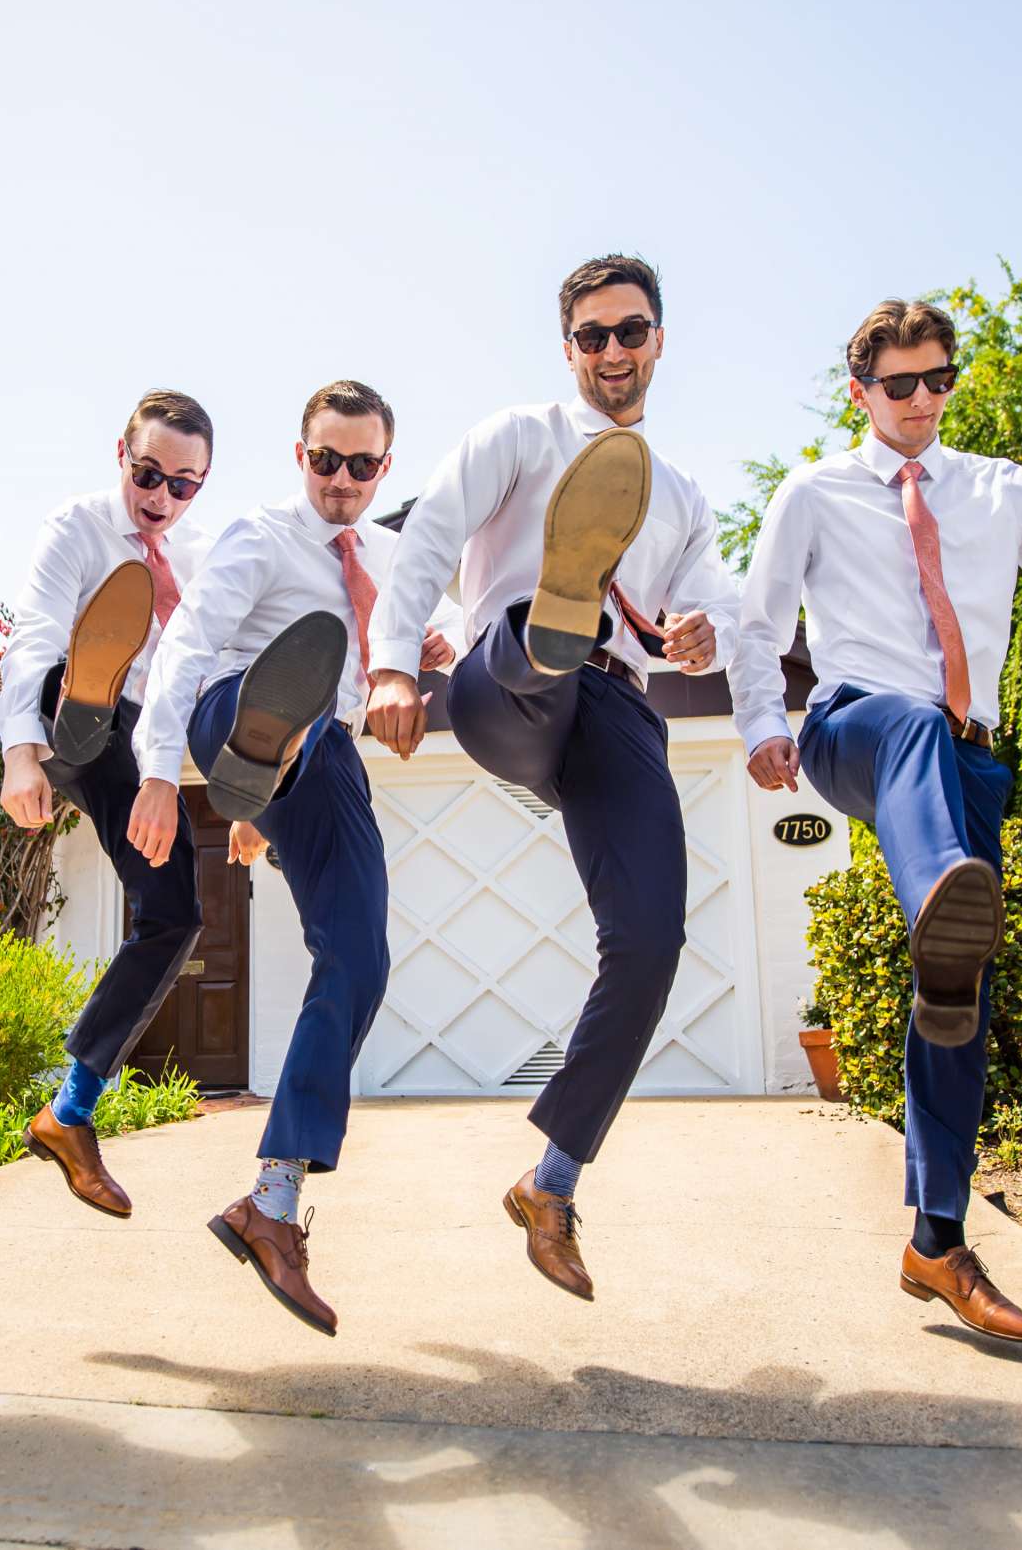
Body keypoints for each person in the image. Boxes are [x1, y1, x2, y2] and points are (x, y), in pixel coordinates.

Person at [730, 297, 1022, 1343]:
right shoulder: (814, 491)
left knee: (958, 1000)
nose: (921, 401)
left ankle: (937, 1243)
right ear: (862, 392)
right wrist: (764, 725)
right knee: (904, 721)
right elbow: (757, 622)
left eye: (937, 380)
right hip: (857, 729)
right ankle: (940, 896)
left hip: (967, 760)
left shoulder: (1001, 491)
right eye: (899, 385)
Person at [361, 256, 737, 1302]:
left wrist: (699, 638)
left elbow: (690, 626)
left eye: (630, 331)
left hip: (617, 702)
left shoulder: (687, 495)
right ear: (567, 347)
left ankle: (552, 1181)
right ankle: (549, 623)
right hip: (501, 689)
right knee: (538, 642)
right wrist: (395, 663)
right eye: (592, 336)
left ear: (659, 338)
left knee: (654, 939)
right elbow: (427, 538)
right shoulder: (518, 435)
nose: (612, 352)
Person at [130, 380, 458, 1336]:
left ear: (385, 467)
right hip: (225, 708)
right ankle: (259, 756)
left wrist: (429, 638)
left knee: (360, 962)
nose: (342, 482)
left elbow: (455, 632)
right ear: (300, 454)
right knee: (284, 695)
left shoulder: (398, 558)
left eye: (362, 466)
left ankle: (269, 1204)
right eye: (326, 461)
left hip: (328, 757)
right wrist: (159, 776)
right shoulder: (262, 537)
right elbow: (186, 643)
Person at [0, 390, 216, 1217]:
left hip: (147, 745)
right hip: (68, 708)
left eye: (184, 485)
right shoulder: (77, 526)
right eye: (148, 474)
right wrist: (22, 756)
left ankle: (69, 1108)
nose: (160, 498)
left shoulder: (196, 554)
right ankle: (77, 712)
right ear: (120, 455)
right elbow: (30, 636)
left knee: (176, 914)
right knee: (69, 675)